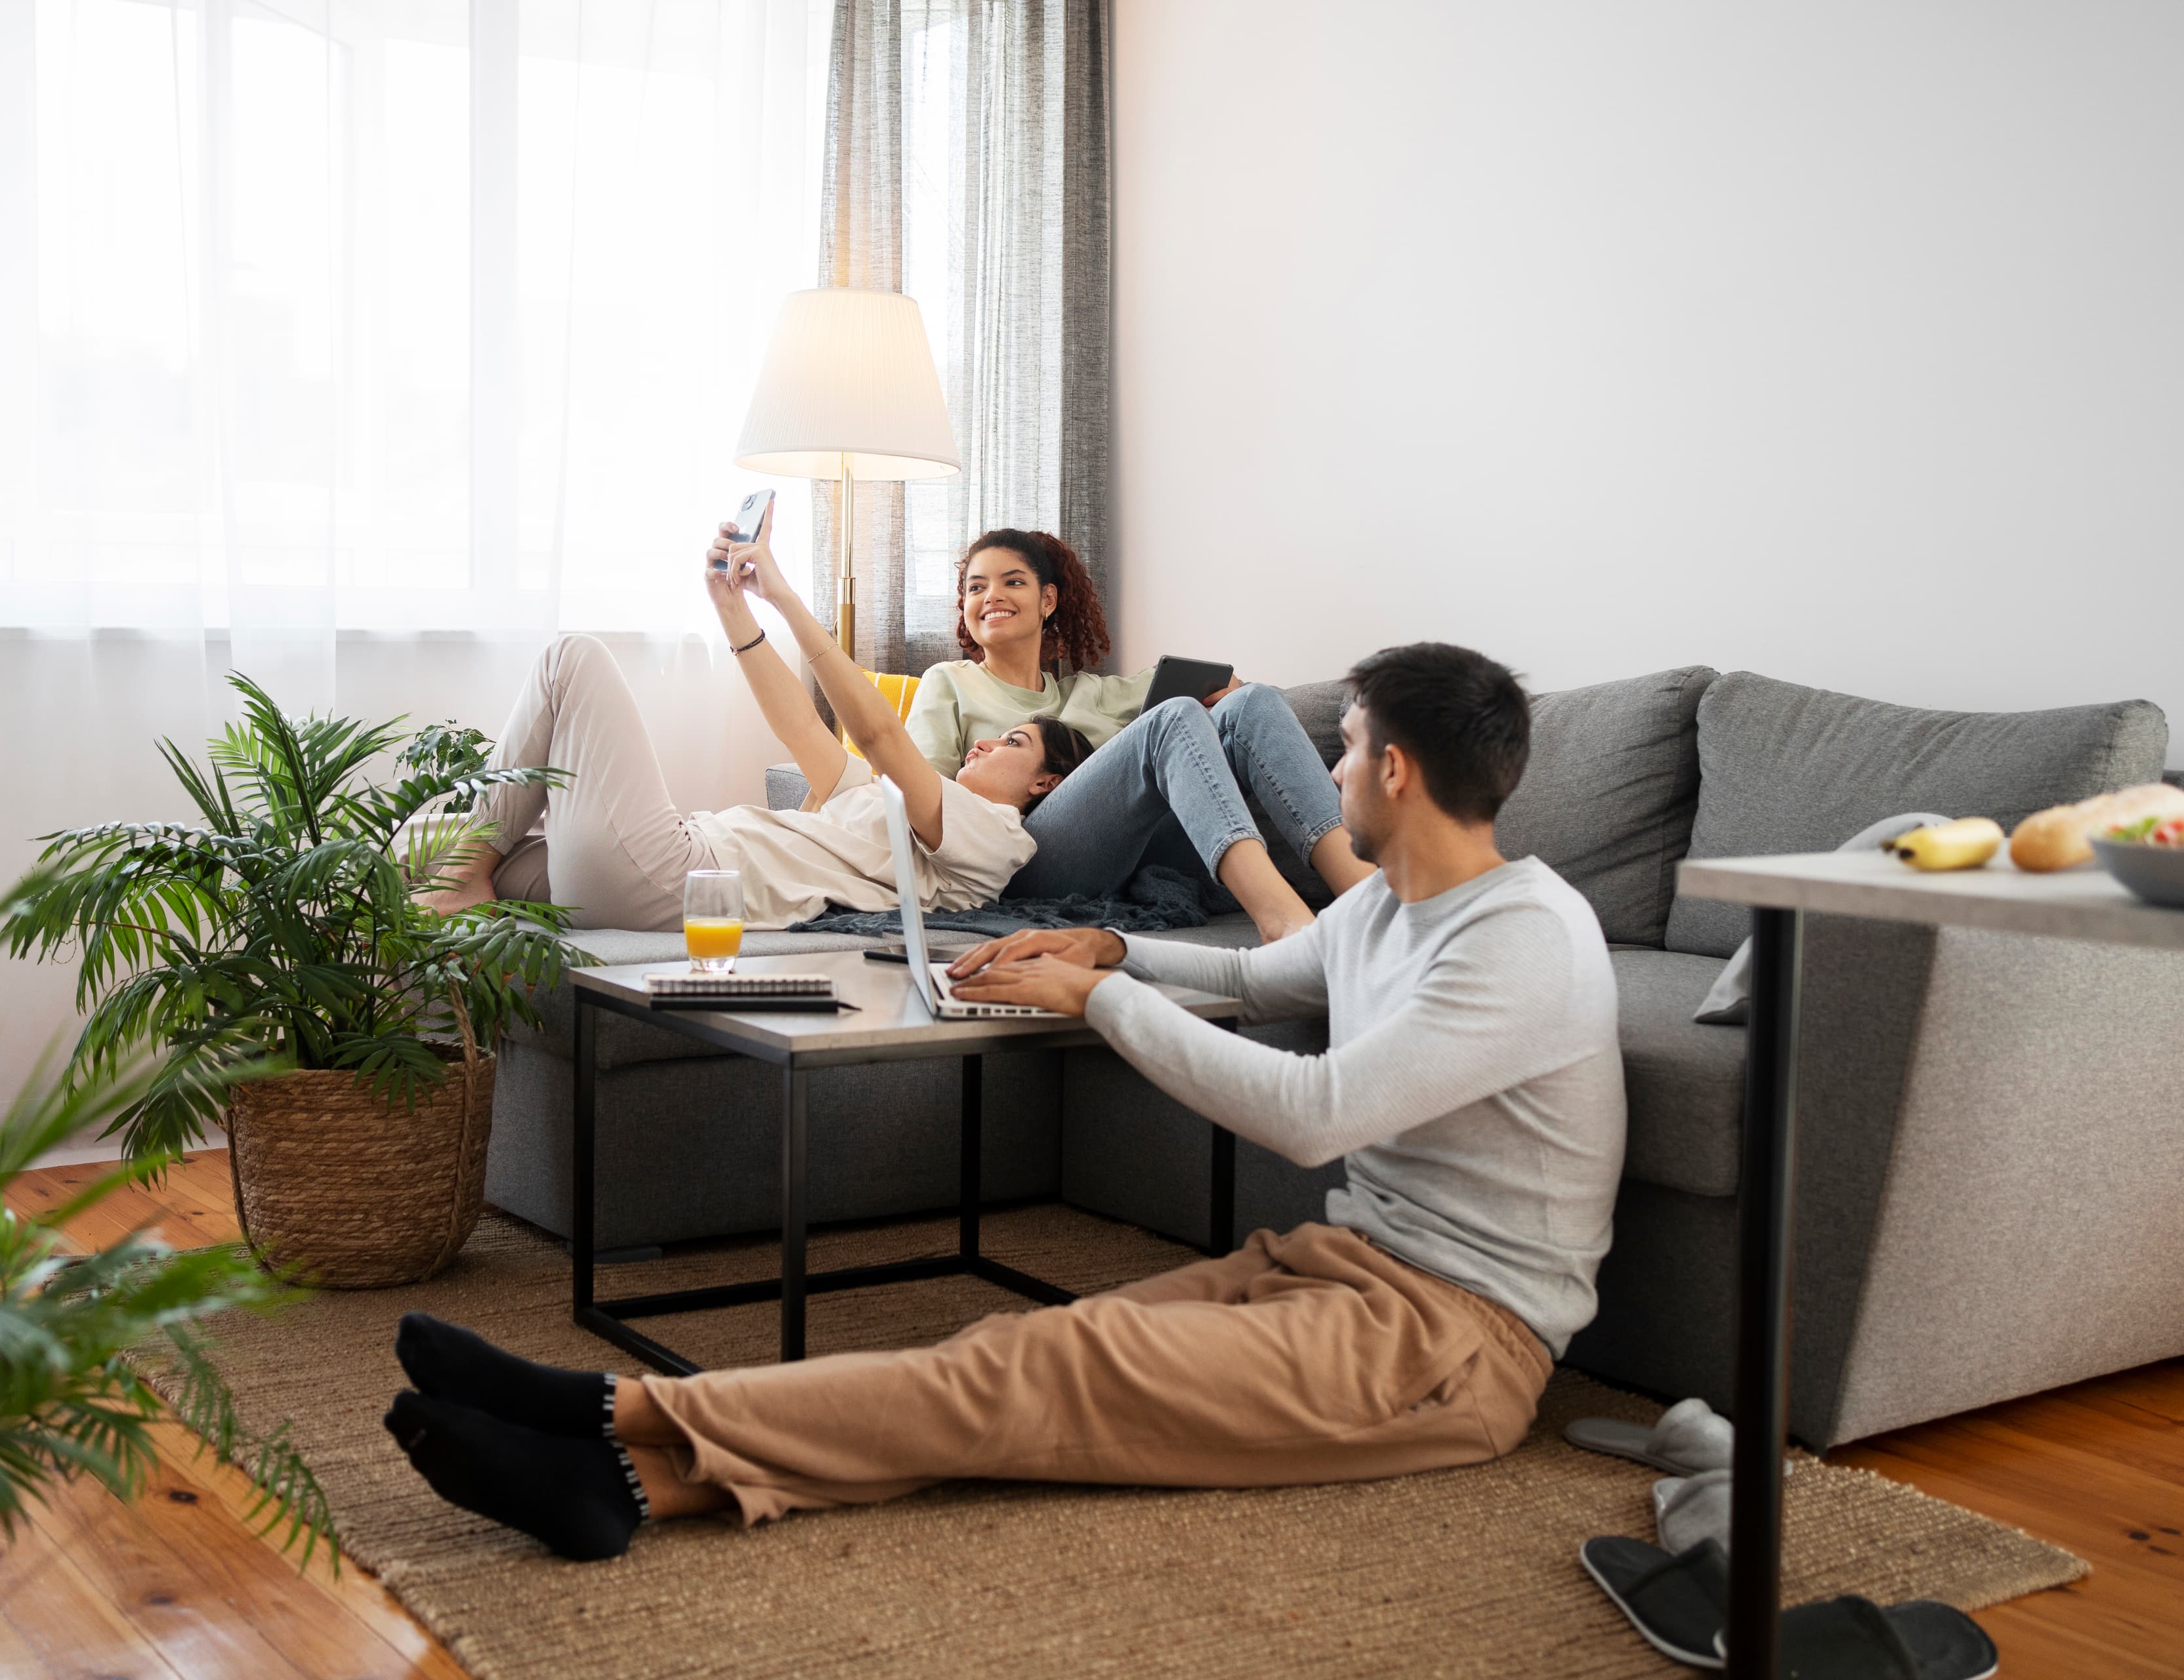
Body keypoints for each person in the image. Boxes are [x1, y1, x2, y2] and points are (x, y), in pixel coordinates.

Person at [380, 642, 1627, 1561]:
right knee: (1008, 1362)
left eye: (1342, 748)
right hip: (1341, 1266)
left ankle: (611, 1408)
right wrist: (1112, 950)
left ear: (1394, 771)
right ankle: (637, 1488)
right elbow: (1254, 972)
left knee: (1055, 1367)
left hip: (1458, 1347)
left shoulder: (1523, 938)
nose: (1329, 769)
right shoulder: (1385, 908)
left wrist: (1099, 1007)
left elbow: (1315, 1113)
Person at [420, 505, 1093, 931]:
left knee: (570, 659)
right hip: (657, 863)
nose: (979, 747)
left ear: (1047, 784)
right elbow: (802, 725)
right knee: (416, 843)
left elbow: (881, 733)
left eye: (1011, 740)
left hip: (680, 876)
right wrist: (731, 605)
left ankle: (459, 882)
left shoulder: (993, 836)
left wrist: (784, 594)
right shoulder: (885, 805)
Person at [905, 530, 1374, 942]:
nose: (991, 596)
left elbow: (1239, 699)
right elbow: (924, 797)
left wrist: (1232, 690)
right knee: (1172, 718)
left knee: (1254, 702)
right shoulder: (948, 682)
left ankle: (1371, 902)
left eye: (1013, 581)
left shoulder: (1099, 693)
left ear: (1048, 600)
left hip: (1135, 854)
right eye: (975, 587)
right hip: (1021, 859)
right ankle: (1282, 921)